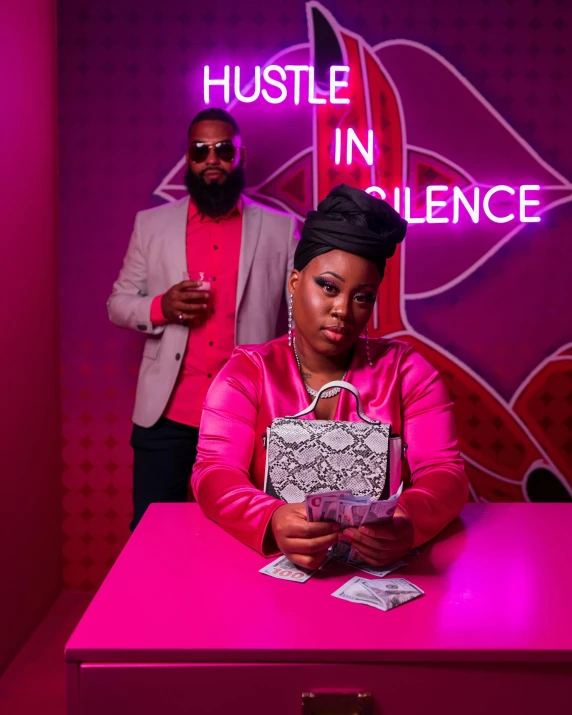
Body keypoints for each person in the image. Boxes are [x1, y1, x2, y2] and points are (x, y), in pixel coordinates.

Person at [192, 184, 468, 568]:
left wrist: (407, 522)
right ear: (294, 283)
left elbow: (445, 473)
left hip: (374, 576)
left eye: (362, 296)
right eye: (329, 287)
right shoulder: (245, 373)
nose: (342, 310)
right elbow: (214, 472)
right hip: (265, 574)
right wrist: (269, 518)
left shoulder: (409, 373)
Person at [108, 108, 298, 530]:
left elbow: (298, 319)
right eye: (200, 151)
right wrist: (161, 306)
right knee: (153, 538)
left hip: (248, 415)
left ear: (240, 156)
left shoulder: (280, 230)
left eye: (223, 149)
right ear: (188, 160)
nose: (212, 159)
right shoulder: (151, 226)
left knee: (247, 536)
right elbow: (118, 303)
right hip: (168, 414)